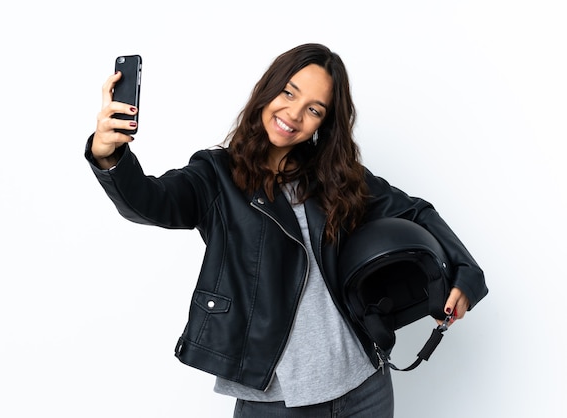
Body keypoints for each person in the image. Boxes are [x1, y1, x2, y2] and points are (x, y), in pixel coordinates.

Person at [85, 43, 488, 418]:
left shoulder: (335, 178)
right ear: (269, 90)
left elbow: (415, 211)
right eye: (290, 93)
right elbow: (151, 202)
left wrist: (465, 273)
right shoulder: (215, 175)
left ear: (323, 123)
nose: (294, 115)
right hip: (275, 402)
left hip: (365, 385)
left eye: (314, 109)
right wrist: (111, 156)